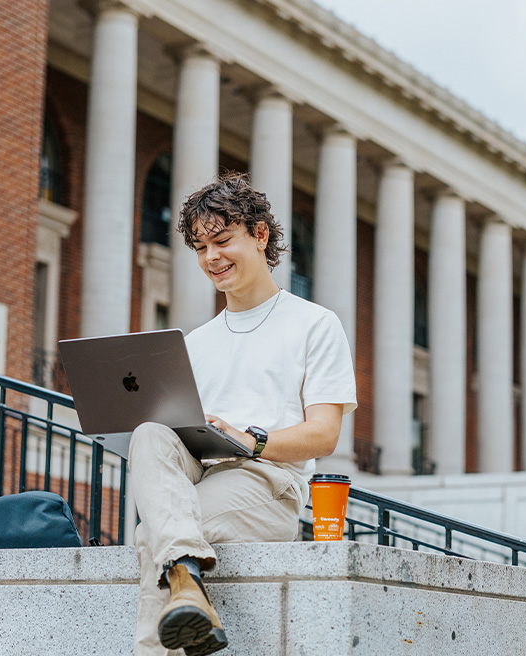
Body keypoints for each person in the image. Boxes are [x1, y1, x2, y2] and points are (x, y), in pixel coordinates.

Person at [128, 172, 357, 655]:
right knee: (149, 431)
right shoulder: (193, 343)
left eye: (222, 240)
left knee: (152, 536)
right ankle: (188, 587)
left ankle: (183, 589)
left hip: (268, 483)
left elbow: (324, 434)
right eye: (200, 247)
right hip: (199, 475)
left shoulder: (315, 324)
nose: (211, 257)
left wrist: (250, 439)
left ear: (260, 235)